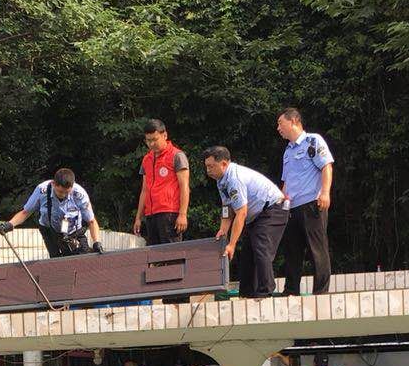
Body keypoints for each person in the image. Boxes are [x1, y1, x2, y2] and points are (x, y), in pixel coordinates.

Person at [204, 146, 289, 299]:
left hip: (273, 208)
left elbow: (241, 212)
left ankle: (265, 292)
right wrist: (223, 230)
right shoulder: (221, 180)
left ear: (223, 164)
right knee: (247, 254)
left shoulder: (234, 179)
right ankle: (247, 294)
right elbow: (227, 208)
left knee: (261, 246)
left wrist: (232, 244)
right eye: (207, 167)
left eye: (211, 166)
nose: (208, 170)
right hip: (256, 216)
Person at [277, 107, 334, 294]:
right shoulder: (287, 151)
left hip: (311, 203)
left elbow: (326, 166)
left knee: (317, 249)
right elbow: (286, 182)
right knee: (292, 251)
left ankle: (321, 292)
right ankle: (291, 290)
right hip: (292, 207)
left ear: (293, 121)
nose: (278, 128)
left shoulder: (313, 141)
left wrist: (325, 192)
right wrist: (280, 204)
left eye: (280, 123)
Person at [0, 169, 103, 258]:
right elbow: (26, 212)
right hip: (49, 231)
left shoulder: (79, 194)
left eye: (67, 192)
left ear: (72, 186)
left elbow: (91, 221)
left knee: (83, 260)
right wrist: (9, 225)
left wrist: (96, 242)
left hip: (74, 231)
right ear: (53, 184)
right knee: (56, 263)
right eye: (60, 192)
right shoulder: (42, 190)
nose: (63, 195)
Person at [132, 119, 190, 245]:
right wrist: (138, 218)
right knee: (154, 254)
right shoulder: (146, 159)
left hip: (169, 212)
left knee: (171, 253)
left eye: (155, 139)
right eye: (148, 140)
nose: (152, 144)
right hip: (151, 214)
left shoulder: (177, 155)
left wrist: (182, 214)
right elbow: (144, 190)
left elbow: (184, 186)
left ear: (165, 135)